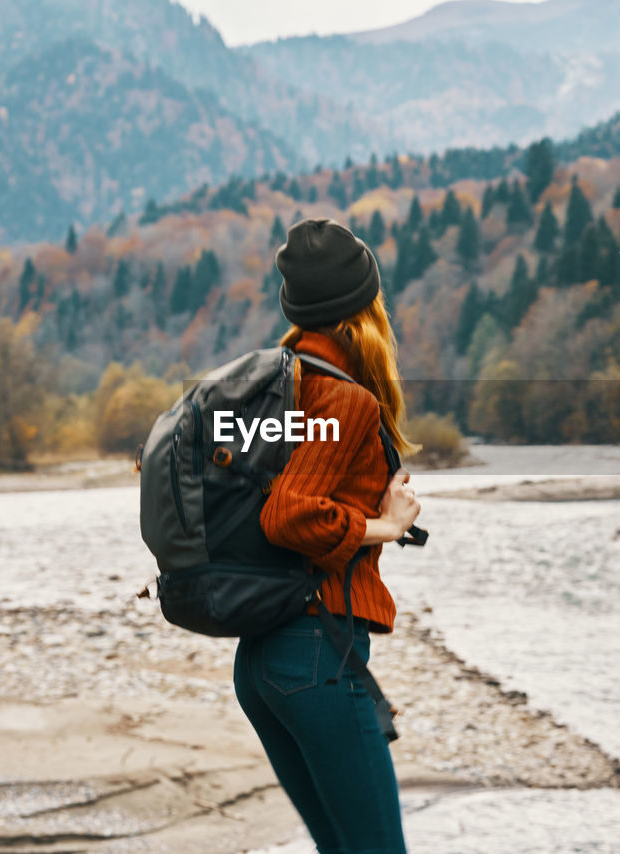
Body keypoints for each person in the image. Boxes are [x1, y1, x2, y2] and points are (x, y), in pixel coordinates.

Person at [233, 217, 421, 854]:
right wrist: (386, 526)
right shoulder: (341, 399)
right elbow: (287, 515)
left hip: (263, 659)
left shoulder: (275, 384)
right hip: (314, 653)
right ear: (363, 304)